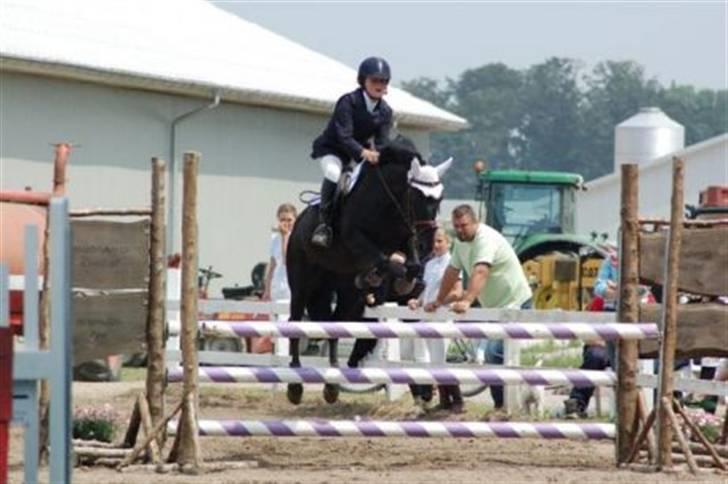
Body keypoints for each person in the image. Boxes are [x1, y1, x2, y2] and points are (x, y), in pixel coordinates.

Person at [426, 204, 533, 413]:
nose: (459, 230)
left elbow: (481, 271)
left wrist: (467, 300)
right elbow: (451, 271)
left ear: (475, 222)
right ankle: (503, 405)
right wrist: (439, 300)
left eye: (464, 225)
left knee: (494, 353)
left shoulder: (486, 239)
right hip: (494, 308)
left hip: (516, 302)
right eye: (456, 226)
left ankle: (503, 406)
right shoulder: (461, 243)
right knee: (494, 356)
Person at [309, 56, 394, 248]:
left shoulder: (386, 111)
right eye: (375, 80)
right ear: (363, 80)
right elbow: (343, 136)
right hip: (333, 149)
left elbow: (381, 142)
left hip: (356, 155)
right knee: (333, 173)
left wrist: (383, 156)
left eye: (383, 81)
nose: (379, 85)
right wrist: (364, 153)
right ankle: (323, 225)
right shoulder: (348, 102)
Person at [407, 228, 464, 413]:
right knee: (425, 360)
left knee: (439, 361)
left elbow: (457, 292)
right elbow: (429, 290)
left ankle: (457, 400)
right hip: (427, 316)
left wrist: (438, 303)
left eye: (440, 241)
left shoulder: (453, 263)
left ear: (449, 243)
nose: (436, 245)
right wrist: (419, 301)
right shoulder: (430, 264)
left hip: (442, 317)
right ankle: (443, 400)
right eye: (434, 241)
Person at [262, 203, 298, 302]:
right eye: (282, 220)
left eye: (289, 220)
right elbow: (272, 265)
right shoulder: (275, 238)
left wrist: (285, 237)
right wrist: (267, 290)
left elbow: (287, 261)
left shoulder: (297, 239)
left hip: (290, 287)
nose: (286, 223)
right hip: (277, 286)